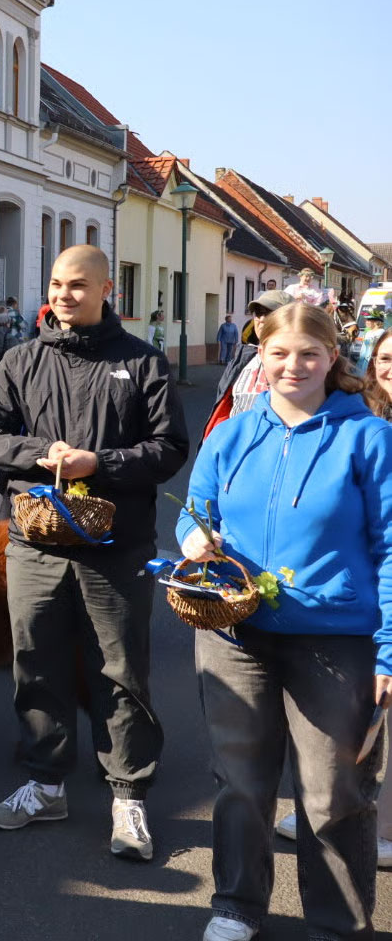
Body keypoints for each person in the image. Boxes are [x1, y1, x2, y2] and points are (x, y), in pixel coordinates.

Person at [178, 302, 392, 941]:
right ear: (261, 357)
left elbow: (391, 546)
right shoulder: (232, 434)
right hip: (235, 632)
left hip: (335, 638)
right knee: (240, 781)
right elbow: (195, 508)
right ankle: (236, 906)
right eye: (278, 353)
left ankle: (338, 924)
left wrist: (388, 649)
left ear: (332, 358)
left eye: (308, 354)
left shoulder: (369, 439)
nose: (292, 366)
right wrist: (193, 537)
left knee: (332, 794)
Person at [0, 245, 188, 863]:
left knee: (120, 669)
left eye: (77, 285)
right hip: (35, 544)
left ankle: (128, 795)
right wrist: (40, 453)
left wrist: (101, 463)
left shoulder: (143, 362)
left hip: (116, 547)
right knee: (35, 663)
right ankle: (45, 785)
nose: (63, 295)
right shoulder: (21, 359)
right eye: (56, 284)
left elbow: (170, 447)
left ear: (106, 289)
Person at [273, 322, 392, 866]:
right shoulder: (362, 418)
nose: (390, 369)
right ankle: (343, 811)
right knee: (368, 720)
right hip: (367, 587)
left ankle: (376, 826)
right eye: (385, 359)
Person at [202, 290, 292, 441]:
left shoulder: (299, 365)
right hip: (234, 448)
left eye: (269, 313)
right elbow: (223, 411)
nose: (261, 319)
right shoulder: (243, 359)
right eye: (258, 313)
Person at [352, 308, 385, 377]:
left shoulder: (381, 332)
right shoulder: (368, 333)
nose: (366, 322)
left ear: (376, 322)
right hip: (364, 360)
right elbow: (363, 347)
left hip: (373, 360)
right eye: (366, 320)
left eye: (369, 320)